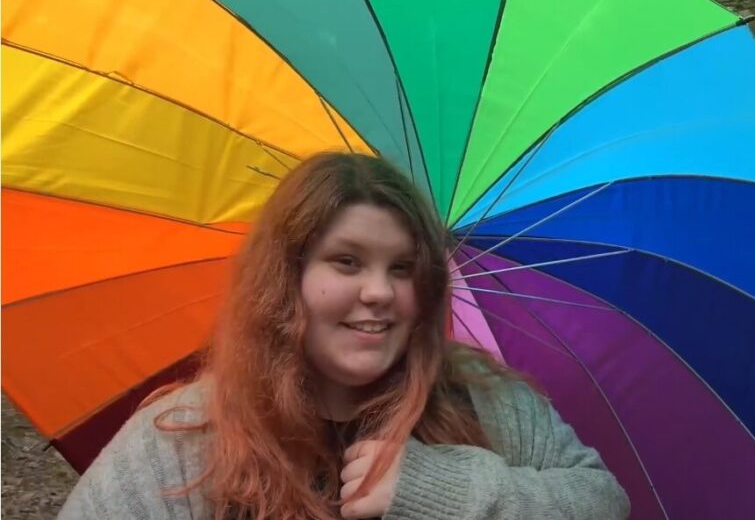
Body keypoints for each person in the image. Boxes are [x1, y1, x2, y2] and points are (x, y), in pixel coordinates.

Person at [58, 152, 630, 520]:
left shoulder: (485, 400)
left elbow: (602, 502)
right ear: (288, 277)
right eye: (347, 261)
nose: (379, 292)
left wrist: (445, 491)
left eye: (402, 268)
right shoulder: (185, 439)